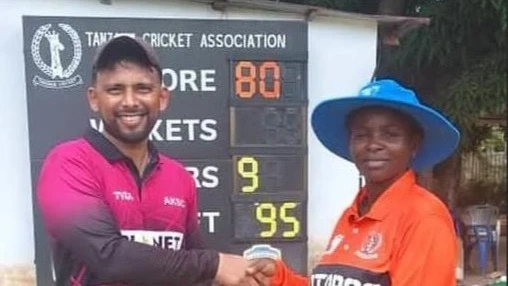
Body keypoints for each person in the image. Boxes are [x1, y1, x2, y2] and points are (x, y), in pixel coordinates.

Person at [37, 36, 260, 286]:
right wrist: (214, 264)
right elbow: (109, 258)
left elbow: (195, 272)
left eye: (143, 88)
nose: (130, 102)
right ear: (94, 98)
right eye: (115, 90)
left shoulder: (179, 177)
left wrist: (246, 276)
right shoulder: (70, 162)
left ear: (162, 98)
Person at [247, 79, 461, 285]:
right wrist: (279, 279)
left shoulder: (424, 218)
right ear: (350, 143)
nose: (374, 144)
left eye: (390, 135)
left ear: (413, 145)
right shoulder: (352, 216)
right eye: (361, 135)